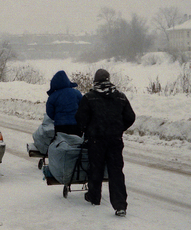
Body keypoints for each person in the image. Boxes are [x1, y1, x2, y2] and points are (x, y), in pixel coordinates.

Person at [75, 69, 135, 217]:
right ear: (109, 79)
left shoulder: (89, 98)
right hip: (115, 140)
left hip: (96, 140)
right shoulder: (121, 97)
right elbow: (130, 117)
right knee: (116, 172)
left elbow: (80, 118)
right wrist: (119, 128)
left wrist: (86, 130)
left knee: (96, 169)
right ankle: (120, 205)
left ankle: (94, 197)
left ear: (95, 80)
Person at [46, 70, 83, 137]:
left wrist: (57, 118)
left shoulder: (53, 96)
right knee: (76, 144)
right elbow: (83, 107)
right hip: (76, 125)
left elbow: (49, 112)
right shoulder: (76, 93)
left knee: (61, 144)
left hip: (60, 126)